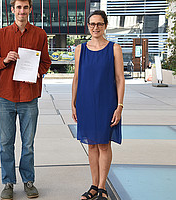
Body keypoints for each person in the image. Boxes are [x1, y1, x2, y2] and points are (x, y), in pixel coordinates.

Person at [0, 0, 51, 199]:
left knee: (28, 144)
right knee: (6, 143)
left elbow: (46, 62)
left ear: (30, 10)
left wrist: (37, 72)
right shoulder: (1, 34)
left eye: (25, 7)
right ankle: (8, 183)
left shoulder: (40, 34)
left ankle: (28, 181)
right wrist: (5, 60)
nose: (22, 11)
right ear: (13, 10)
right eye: (18, 7)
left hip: (29, 97)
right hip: (6, 97)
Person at [71, 10, 125, 200]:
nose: (95, 27)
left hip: (107, 102)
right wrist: (73, 104)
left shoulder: (114, 48)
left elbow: (119, 79)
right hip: (85, 102)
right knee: (91, 145)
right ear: (88, 26)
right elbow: (76, 78)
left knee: (103, 144)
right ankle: (94, 185)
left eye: (99, 24)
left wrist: (119, 106)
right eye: (92, 24)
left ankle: (102, 187)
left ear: (105, 25)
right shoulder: (80, 49)